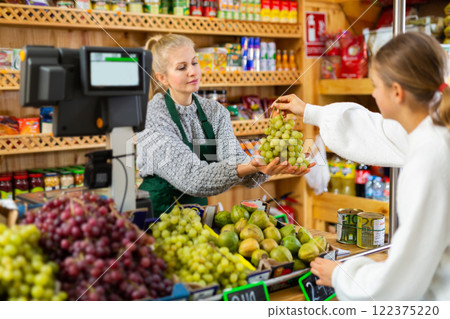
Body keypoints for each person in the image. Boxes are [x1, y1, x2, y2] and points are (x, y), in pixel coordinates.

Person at [273, 32, 450, 301]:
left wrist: (343, 276)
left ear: (397, 92)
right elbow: (378, 130)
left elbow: (403, 279)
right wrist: (311, 111)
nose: (372, 93)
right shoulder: (435, 130)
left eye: (375, 85)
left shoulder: (428, 159)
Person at [136, 34, 312, 217]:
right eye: (182, 67)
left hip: (197, 215)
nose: (193, 72)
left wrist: (265, 164)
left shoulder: (215, 112)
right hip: (155, 218)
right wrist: (252, 166)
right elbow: (193, 178)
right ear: (162, 78)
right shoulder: (153, 116)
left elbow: (235, 162)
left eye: (194, 63)